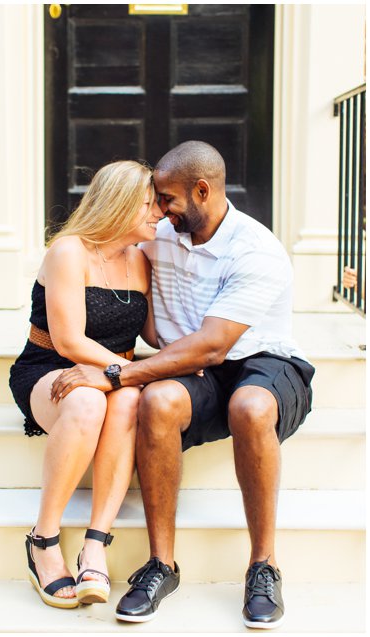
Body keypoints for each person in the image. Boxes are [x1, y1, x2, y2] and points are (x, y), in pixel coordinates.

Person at [50, 141, 314, 629]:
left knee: (251, 407)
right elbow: (104, 244)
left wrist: (115, 373)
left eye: (167, 199)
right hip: (194, 372)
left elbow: (213, 346)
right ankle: (161, 564)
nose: (158, 209)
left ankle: (264, 565)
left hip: (264, 362)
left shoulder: (257, 250)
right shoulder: (159, 234)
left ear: (202, 191)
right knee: (159, 399)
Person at [8, 160, 164, 608]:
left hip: (112, 375)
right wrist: (119, 371)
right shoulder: (68, 251)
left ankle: (96, 543)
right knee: (88, 404)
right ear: (119, 205)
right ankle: (43, 539)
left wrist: (123, 373)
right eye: (150, 206)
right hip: (51, 369)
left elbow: (152, 337)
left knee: (131, 401)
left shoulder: (142, 259)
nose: (159, 215)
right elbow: (69, 340)